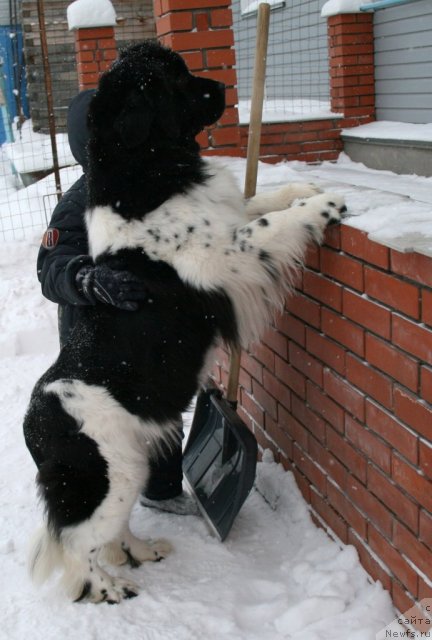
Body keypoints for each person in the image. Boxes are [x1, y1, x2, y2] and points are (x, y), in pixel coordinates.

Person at [37, 89, 198, 516]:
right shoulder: (79, 201)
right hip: (97, 340)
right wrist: (88, 279)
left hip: (149, 329)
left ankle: (162, 489)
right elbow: (51, 267)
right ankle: (105, 504)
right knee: (109, 424)